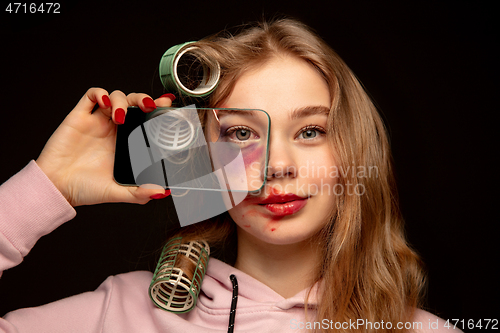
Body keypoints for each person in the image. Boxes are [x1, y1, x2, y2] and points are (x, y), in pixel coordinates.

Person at [0, 18, 460, 332]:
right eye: (241, 132)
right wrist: (46, 184)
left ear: (351, 150)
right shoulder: (118, 312)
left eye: (311, 130)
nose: (277, 164)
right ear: (201, 160)